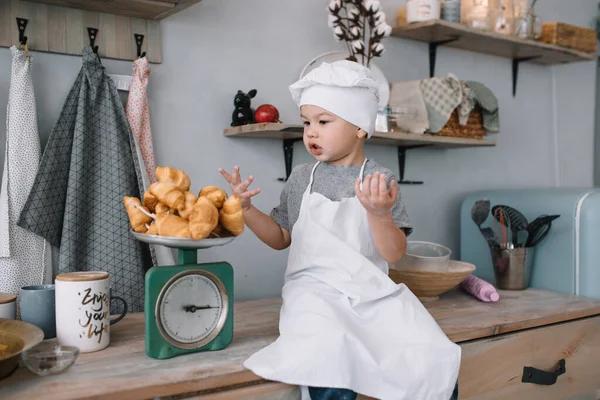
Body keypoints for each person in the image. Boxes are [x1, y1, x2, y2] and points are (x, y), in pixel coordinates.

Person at [219, 60, 461, 400]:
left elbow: (394, 253)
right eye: (306, 122)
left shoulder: (380, 181)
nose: (311, 132)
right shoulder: (303, 177)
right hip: (314, 293)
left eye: (323, 121)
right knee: (329, 354)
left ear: (360, 126)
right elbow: (280, 238)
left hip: (372, 293)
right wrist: (247, 210)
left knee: (429, 351)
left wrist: (379, 214)